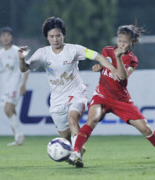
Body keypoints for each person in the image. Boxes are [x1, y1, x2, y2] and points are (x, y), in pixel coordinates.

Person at [68, 24, 155, 167]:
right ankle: (76, 152)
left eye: (125, 41)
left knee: (145, 128)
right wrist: (99, 68)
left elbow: (122, 77)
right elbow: (106, 67)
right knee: (92, 119)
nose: (121, 44)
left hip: (121, 100)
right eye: (119, 40)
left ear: (131, 42)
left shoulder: (132, 59)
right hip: (102, 95)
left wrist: (118, 58)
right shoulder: (107, 50)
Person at [18, 17, 118, 152]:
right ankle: (77, 149)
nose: (55, 39)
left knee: (72, 120)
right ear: (47, 37)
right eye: (51, 36)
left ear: (63, 34)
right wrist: (21, 59)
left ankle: (77, 154)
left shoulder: (73, 49)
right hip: (57, 99)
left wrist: (112, 69)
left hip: (76, 92)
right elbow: (24, 68)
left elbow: (98, 56)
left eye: (58, 35)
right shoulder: (43, 53)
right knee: (66, 138)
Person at [0, 27, 29, 146]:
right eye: (3, 36)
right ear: (0, 38)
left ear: (12, 37)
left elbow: (26, 69)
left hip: (16, 85)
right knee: (11, 111)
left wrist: (23, 85)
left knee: (7, 109)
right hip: (6, 86)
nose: (5, 37)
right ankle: (18, 138)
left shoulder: (17, 51)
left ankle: (19, 134)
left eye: (8, 35)